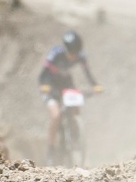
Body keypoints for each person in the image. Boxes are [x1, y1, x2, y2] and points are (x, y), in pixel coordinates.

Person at [39, 30, 103, 166]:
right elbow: (43, 74)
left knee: (75, 107)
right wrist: (45, 86)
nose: (74, 57)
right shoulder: (56, 54)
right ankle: (51, 149)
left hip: (66, 83)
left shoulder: (81, 56)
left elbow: (87, 73)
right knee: (56, 116)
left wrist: (95, 85)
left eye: (76, 54)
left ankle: (75, 134)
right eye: (71, 54)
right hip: (50, 85)